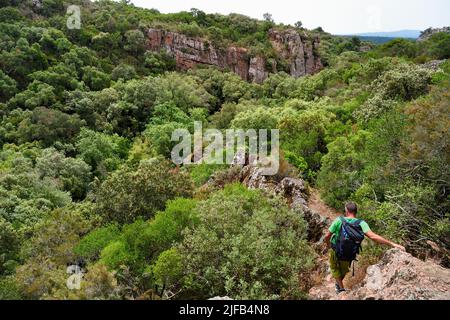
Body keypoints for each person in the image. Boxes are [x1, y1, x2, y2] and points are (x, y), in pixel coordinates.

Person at [324, 202, 406, 294]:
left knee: (334, 268)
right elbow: (373, 236)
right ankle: (339, 286)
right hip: (349, 253)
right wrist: (392, 244)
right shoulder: (361, 223)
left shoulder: (339, 220)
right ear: (356, 212)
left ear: (346, 211)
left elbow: (327, 235)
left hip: (335, 249)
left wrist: (328, 244)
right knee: (343, 270)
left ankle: (341, 289)